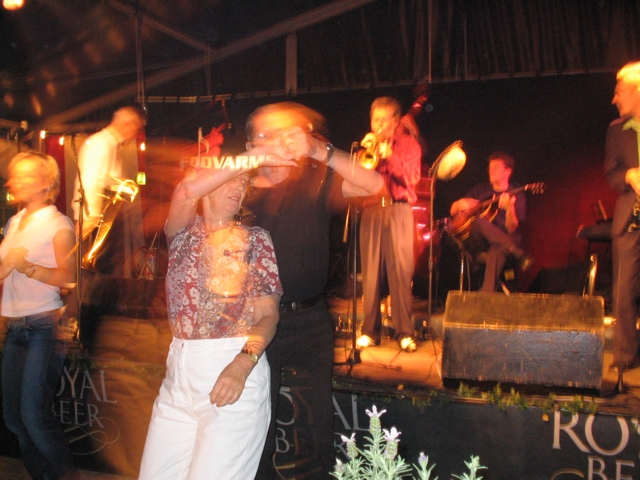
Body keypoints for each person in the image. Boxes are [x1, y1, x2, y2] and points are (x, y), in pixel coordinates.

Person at [242, 102, 383, 479]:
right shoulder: (239, 191)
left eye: (284, 132)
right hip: (257, 322)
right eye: (267, 133)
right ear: (252, 143)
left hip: (311, 318)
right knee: (260, 419)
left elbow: (374, 185)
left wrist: (322, 151)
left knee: (319, 418)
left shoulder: (315, 180)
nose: (278, 140)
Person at [138, 166, 283, 479]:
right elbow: (185, 192)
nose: (238, 188)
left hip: (232, 366)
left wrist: (243, 363)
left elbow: (268, 315)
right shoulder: (182, 234)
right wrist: (248, 157)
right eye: (230, 180)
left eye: (243, 183)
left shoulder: (255, 240)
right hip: (178, 374)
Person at [0, 151, 78, 480]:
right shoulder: (14, 222)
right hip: (15, 328)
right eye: (14, 174)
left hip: (43, 327)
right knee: (14, 418)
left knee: (33, 416)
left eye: (26, 175)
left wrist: (29, 267)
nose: (15, 181)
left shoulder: (58, 224)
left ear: (47, 184)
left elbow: (70, 275)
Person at [355, 96, 422, 352]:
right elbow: (356, 182)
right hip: (371, 211)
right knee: (370, 274)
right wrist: (362, 157)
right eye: (375, 120)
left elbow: (412, 178)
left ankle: (404, 332)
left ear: (395, 122)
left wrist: (390, 157)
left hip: (399, 210)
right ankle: (370, 331)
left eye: (384, 120)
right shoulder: (365, 147)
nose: (379, 125)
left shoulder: (409, 145)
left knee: (401, 273)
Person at [71, 105, 145, 277]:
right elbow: (89, 181)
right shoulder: (100, 145)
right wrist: (91, 216)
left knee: (103, 267)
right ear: (127, 124)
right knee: (96, 268)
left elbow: (107, 180)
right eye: (135, 129)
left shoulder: (110, 146)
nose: (134, 134)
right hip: (97, 218)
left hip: (103, 216)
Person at [448, 152, 533, 292]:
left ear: (508, 171)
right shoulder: (480, 190)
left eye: (496, 167)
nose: (491, 170)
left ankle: (485, 294)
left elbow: (511, 229)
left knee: (497, 251)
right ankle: (518, 253)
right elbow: (452, 211)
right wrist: (459, 203)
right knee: (478, 222)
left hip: (502, 243)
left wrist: (509, 208)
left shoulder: (517, 195)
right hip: (479, 242)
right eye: (490, 167)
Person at [604, 60, 640, 372]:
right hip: (631, 217)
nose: (614, 99)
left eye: (619, 92)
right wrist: (629, 175)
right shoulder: (616, 130)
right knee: (624, 288)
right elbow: (611, 174)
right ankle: (625, 355)